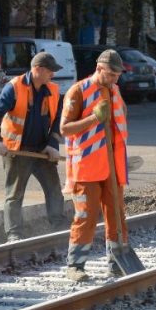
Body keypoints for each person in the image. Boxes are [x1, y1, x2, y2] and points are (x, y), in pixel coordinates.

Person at [59, 49, 129, 282]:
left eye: (117, 76)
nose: (114, 80)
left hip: (112, 166)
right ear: (99, 69)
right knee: (86, 215)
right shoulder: (78, 91)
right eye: (110, 75)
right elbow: (65, 128)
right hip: (87, 166)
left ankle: (117, 261)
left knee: (116, 215)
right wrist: (93, 118)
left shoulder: (115, 91)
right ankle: (75, 265)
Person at [0, 51, 67, 243]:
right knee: (15, 194)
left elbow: (56, 120)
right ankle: (14, 234)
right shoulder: (14, 87)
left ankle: (59, 226)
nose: (52, 75)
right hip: (17, 150)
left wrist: (52, 145)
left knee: (54, 189)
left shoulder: (52, 90)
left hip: (41, 151)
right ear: (38, 70)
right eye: (50, 71)